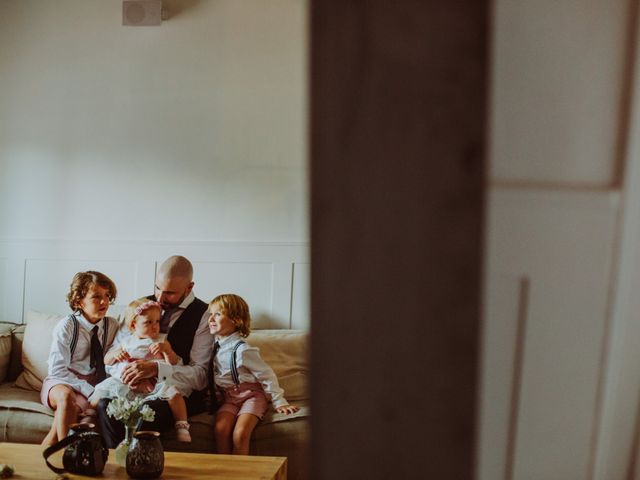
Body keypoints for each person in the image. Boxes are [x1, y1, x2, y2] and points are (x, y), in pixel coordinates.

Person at [96, 255, 213, 447]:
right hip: (131, 387)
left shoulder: (203, 315)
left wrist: (156, 369)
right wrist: (128, 374)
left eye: (169, 293)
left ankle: (134, 462)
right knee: (105, 405)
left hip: (175, 394)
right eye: (157, 288)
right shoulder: (139, 307)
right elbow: (113, 358)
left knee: (146, 411)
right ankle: (115, 464)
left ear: (189, 288)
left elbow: (200, 377)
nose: (160, 298)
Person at [89, 299, 192, 442]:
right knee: (102, 390)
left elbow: (174, 363)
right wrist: (115, 355)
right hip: (129, 382)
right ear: (133, 325)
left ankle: (181, 425)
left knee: (174, 394)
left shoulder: (162, 340)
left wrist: (167, 351)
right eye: (148, 322)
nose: (155, 326)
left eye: (157, 321)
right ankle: (89, 414)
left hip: (155, 382)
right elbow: (107, 360)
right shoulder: (127, 342)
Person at [209, 293, 299, 455]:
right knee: (221, 430)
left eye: (217, 314)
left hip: (251, 396)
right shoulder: (214, 346)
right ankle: (224, 472)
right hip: (229, 397)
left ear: (236, 320)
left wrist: (279, 402)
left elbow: (266, 375)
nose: (211, 319)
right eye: (210, 314)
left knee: (240, 434)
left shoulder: (243, 350)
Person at [40, 271, 119, 447]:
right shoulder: (67, 326)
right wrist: (89, 390)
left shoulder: (111, 325)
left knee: (69, 415)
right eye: (96, 297)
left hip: (90, 385)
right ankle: (68, 451)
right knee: (67, 398)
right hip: (61, 380)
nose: (104, 302)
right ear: (78, 301)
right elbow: (57, 370)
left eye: (107, 296)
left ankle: (46, 459)